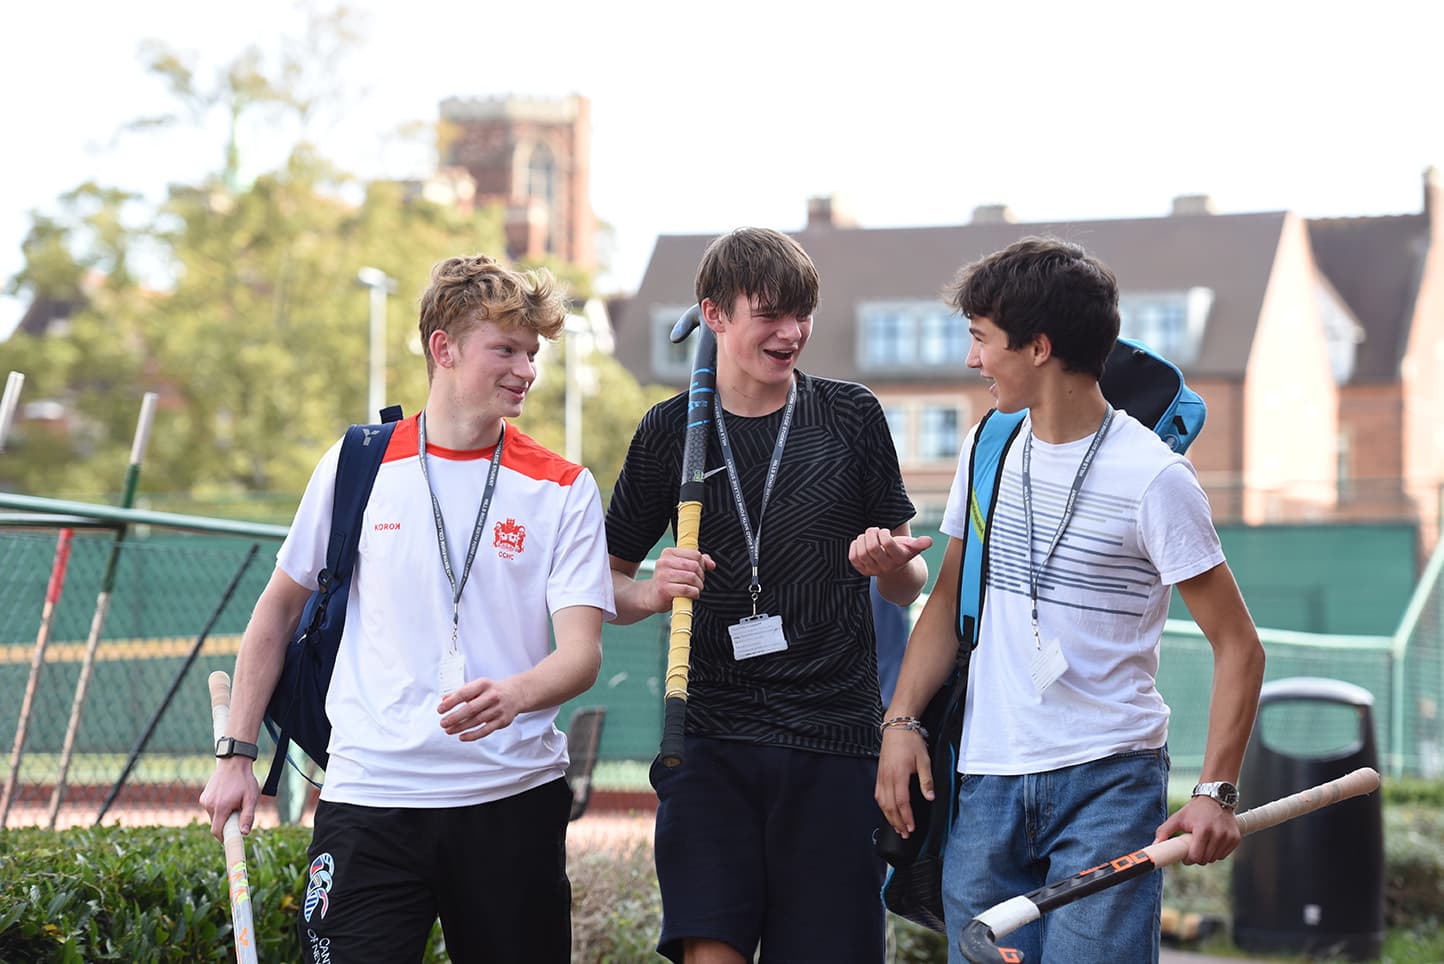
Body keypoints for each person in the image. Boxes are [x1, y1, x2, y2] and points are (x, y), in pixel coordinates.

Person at [200, 254, 614, 963]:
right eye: (506, 350)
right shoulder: (357, 462)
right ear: (443, 348)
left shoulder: (563, 486)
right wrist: (236, 756)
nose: (526, 370)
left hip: (511, 796)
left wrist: (516, 693)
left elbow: (582, 654)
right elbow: (277, 611)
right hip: (370, 797)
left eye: (533, 353)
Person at [875, 237, 1266, 963]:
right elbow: (950, 597)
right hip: (985, 778)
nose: (972, 360)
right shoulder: (987, 445)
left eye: (982, 339)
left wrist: (1215, 790)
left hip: (1108, 784)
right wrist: (900, 722)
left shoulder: (1155, 478)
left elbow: (1239, 645)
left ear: (1039, 347)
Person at [607, 227, 932, 964]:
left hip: (834, 741)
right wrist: (652, 592)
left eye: (803, 314)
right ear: (714, 314)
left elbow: (908, 583)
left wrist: (886, 564)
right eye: (771, 315)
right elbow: (604, 587)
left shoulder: (850, 415)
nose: (791, 333)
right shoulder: (670, 430)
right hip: (708, 741)